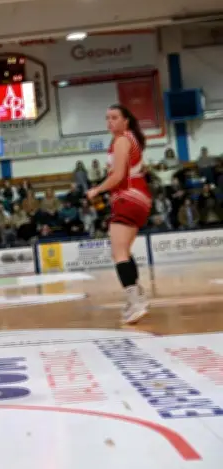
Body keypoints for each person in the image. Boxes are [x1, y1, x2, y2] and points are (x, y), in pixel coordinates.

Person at [87, 105, 152, 324]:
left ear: (126, 120)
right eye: (107, 118)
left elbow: (118, 176)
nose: (110, 122)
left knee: (118, 253)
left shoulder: (122, 140)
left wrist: (96, 189)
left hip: (129, 197)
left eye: (114, 117)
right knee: (123, 250)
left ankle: (135, 301)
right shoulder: (130, 139)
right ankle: (138, 295)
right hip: (138, 197)